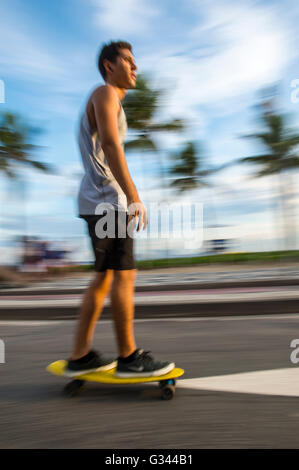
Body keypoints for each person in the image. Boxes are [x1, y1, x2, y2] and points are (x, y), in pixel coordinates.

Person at [65, 41, 175, 378]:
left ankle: (81, 355)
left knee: (104, 278)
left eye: (134, 61)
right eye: (127, 60)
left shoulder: (110, 99)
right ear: (109, 66)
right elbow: (111, 145)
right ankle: (128, 357)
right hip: (108, 202)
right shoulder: (105, 92)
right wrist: (133, 197)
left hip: (96, 201)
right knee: (124, 276)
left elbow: (107, 145)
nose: (135, 67)